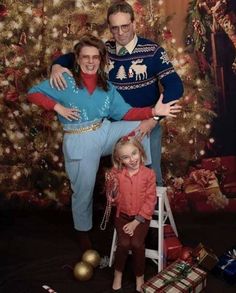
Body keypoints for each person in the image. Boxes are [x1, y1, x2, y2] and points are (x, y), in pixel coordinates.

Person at [27, 35, 181, 253]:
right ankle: (83, 233)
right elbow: (32, 94)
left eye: (95, 57)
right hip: (80, 139)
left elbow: (126, 112)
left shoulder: (107, 87)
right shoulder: (65, 81)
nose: (90, 62)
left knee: (139, 126)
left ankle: (140, 178)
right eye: (85, 58)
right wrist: (58, 108)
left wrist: (154, 112)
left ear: (101, 60)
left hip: (104, 130)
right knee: (83, 190)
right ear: (78, 60)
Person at [49, 1, 184, 187]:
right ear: (110, 28)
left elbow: (175, 86)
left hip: (146, 124)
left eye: (125, 26)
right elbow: (72, 57)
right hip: (114, 127)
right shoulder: (104, 50)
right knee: (120, 179)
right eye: (115, 28)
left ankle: (152, 214)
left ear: (134, 24)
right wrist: (56, 66)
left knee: (149, 176)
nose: (120, 33)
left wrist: (154, 119)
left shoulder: (153, 51)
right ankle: (124, 214)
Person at [105, 135, 157, 293]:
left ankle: (139, 276)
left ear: (140, 151)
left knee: (136, 244)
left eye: (134, 153)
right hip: (122, 216)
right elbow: (112, 201)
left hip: (141, 218)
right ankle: (118, 273)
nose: (132, 159)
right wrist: (111, 188)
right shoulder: (117, 174)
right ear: (120, 160)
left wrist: (136, 222)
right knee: (124, 244)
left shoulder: (149, 174)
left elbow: (150, 201)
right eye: (126, 157)